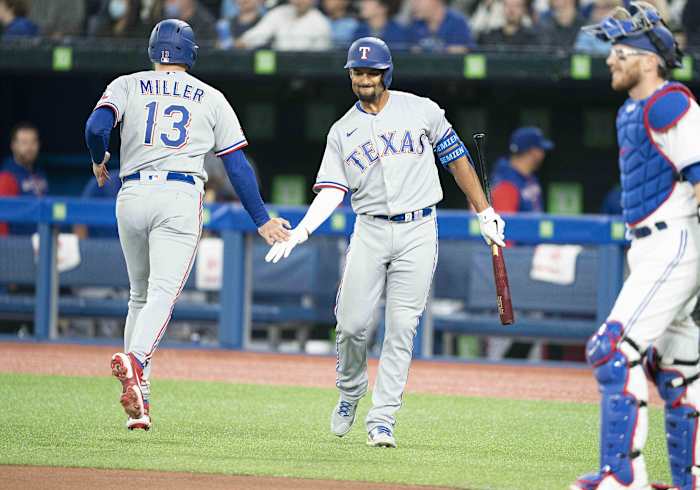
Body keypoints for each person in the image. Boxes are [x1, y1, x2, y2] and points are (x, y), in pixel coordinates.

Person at [264, 37, 505, 448]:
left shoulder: (422, 109)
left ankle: (383, 418)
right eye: (357, 72)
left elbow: (457, 158)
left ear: (386, 73)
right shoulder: (342, 131)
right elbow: (331, 191)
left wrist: (483, 210)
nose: (364, 78)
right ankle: (350, 389)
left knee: (401, 327)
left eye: (371, 71)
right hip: (371, 228)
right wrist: (303, 229)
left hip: (419, 228)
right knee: (353, 324)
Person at [84, 19, 290, 431]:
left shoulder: (127, 83)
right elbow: (236, 164)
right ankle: (136, 363)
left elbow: (96, 127)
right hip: (178, 195)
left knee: (138, 295)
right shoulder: (211, 97)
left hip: (131, 194)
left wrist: (99, 156)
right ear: (191, 54)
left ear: (152, 49)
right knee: (163, 292)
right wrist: (262, 219)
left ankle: (140, 403)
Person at [571, 3, 700, 489]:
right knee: (676, 370)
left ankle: (622, 478)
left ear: (648, 60)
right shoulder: (632, 109)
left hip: (675, 243)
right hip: (649, 248)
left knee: (611, 352)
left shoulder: (671, 102)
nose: (610, 59)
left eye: (619, 52)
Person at [0, 122, 48, 236]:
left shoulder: (40, 174)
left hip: (40, 242)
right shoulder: (7, 177)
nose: (29, 147)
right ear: (13, 145)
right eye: (24, 143)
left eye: (33, 142)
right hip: (16, 246)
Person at [236, 0, 332, 51]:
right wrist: (244, 42)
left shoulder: (321, 23)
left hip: (306, 74)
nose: (298, 1)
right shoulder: (279, 12)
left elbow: (320, 57)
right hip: (278, 70)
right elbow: (260, 33)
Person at [409, 0, 476, 53]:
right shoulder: (415, 24)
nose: (414, 4)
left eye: (419, 0)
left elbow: (470, 55)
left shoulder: (458, 23)